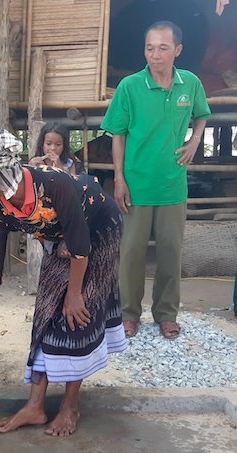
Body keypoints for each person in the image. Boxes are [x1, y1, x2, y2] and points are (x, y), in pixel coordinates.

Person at [0, 129, 126, 437]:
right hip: (61, 240)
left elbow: (80, 245)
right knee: (46, 311)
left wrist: (75, 293)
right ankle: (35, 406)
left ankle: (69, 406)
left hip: (99, 231)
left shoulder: (54, 183)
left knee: (77, 314)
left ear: (2, 173)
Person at [101, 21, 211, 340]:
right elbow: (117, 135)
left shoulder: (189, 83)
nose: (155, 54)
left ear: (177, 50)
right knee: (131, 252)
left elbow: (202, 114)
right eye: (150, 47)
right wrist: (119, 180)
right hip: (135, 185)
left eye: (163, 48)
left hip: (172, 185)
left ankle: (165, 314)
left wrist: (194, 141)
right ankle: (128, 314)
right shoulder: (130, 86)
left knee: (170, 252)